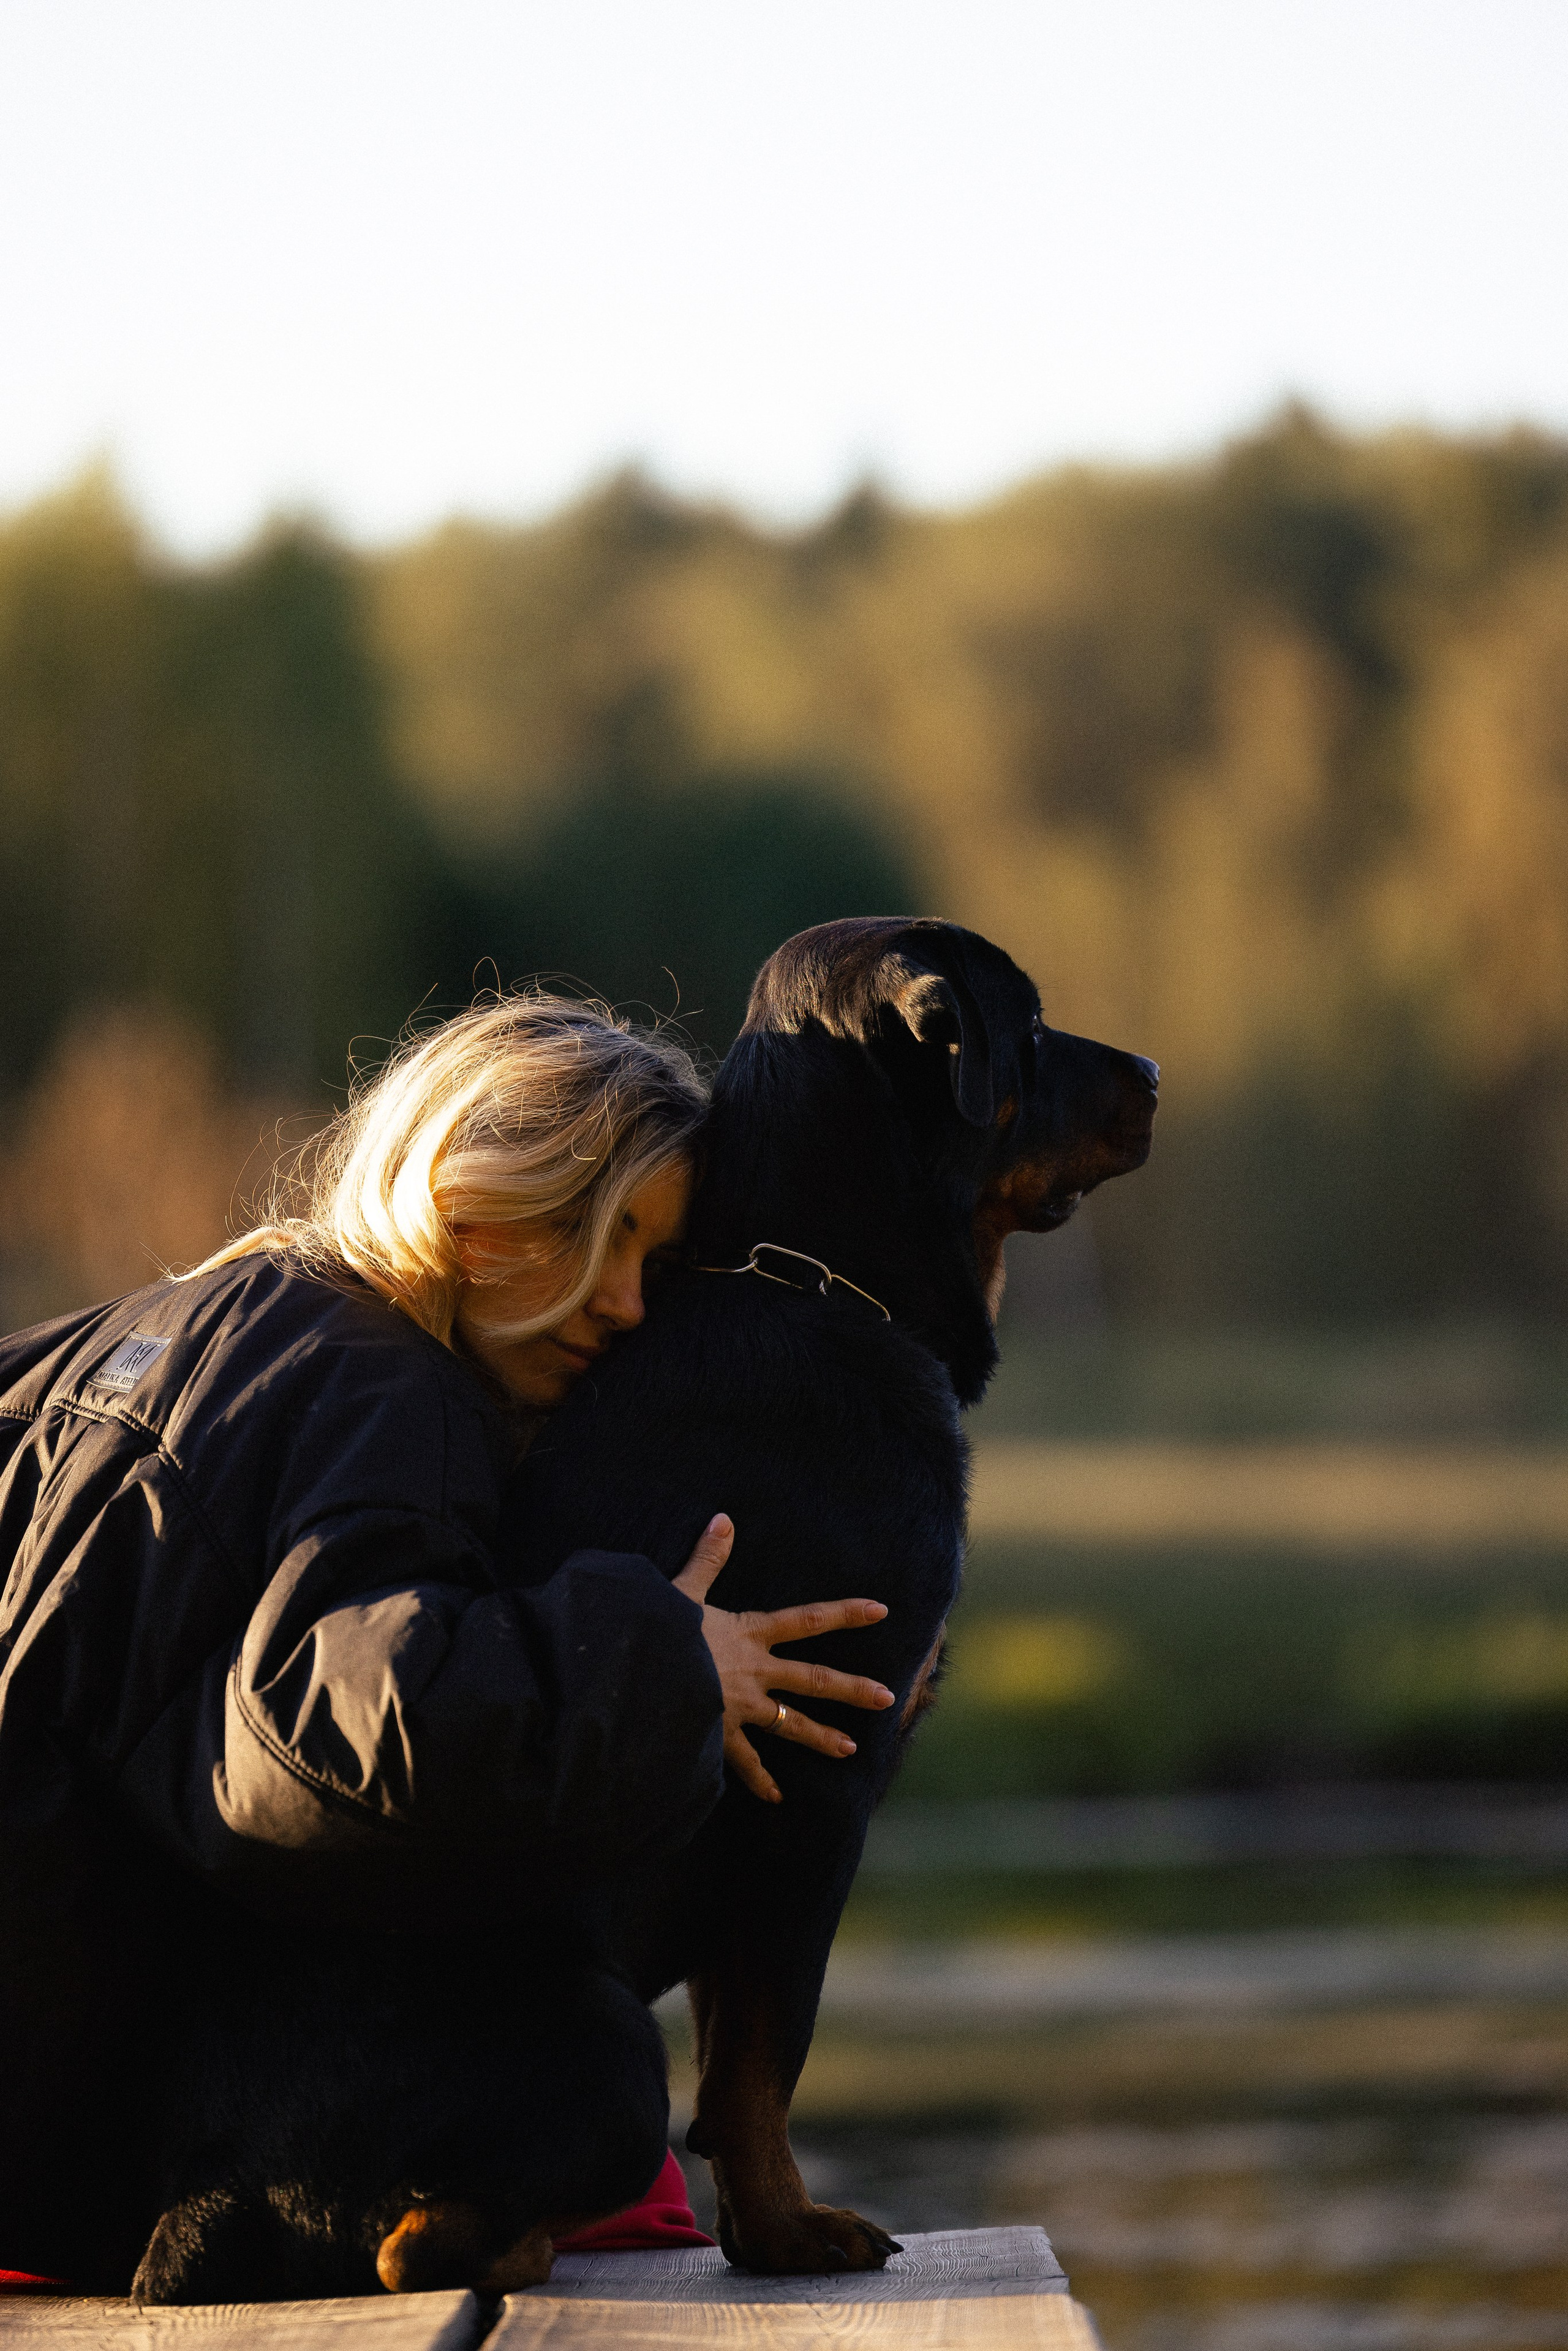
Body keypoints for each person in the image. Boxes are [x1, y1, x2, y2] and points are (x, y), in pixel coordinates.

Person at [0, 995, 894, 2297]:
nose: (637, 1303)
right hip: (59, 2123)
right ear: (474, 1206)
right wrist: (666, 1657)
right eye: (602, 1234)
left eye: (661, 1258)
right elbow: (341, 1723)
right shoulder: (383, 1381)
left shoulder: (175, 1325)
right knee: (583, 2081)